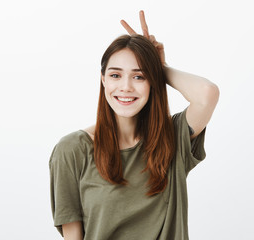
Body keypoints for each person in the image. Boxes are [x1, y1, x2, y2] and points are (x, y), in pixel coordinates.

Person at [49, 10, 219, 240]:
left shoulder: (172, 138)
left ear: (152, 82)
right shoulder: (72, 150)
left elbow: (207, 94)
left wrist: (161, 67)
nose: (126, 87)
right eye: (116, 75)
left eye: (139, 76)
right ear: (103, 80)